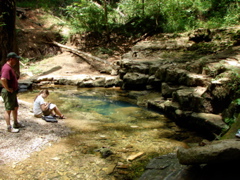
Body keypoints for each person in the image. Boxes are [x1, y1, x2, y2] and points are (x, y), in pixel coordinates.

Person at [1, 52, 25, 133]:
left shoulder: (9, 67)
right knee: (8, 110)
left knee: (15, 107)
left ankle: (16, 123)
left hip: (12, 92)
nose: (16, 61)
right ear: (11, 59)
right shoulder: (6, 68)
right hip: (8, 92)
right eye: (15, 59)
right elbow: (3, 79)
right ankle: (9, 127)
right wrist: (7, 88)